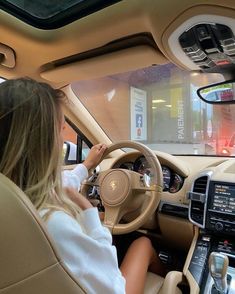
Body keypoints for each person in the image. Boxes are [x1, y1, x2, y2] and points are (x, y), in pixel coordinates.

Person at [0, 78, 165, 294]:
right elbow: (114, 289)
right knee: (142, 244)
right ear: (45, 141)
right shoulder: (55, 224)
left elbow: (60, 184)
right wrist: (91, 216)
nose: (62, 138)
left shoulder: (12, 195)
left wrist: (87, 166)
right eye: (60, 129)